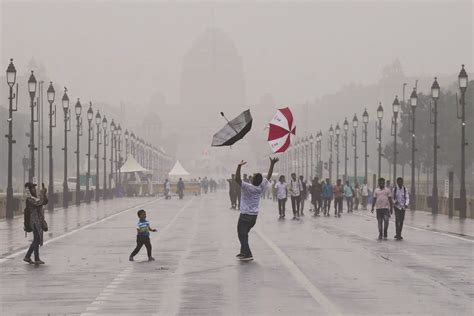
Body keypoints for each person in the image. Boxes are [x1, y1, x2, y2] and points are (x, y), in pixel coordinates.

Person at [235, 157, 278, 261]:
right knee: (244, 234)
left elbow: (237, 179)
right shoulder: (260, 187)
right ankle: (243, 252)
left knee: (241, 233)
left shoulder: (247, 187)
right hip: (253, 217)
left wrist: (239, 166)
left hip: (245, 215)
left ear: (253, 180)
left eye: (253, 176)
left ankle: (248, 254)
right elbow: (268, 176)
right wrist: (272, 164)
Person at [23, 182, 48, 265]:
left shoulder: (34, 197)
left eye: (34, 188)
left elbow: (44, 201)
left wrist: (44, 193)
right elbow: (39, 202)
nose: (34, 189)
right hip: (34, 221)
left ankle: (27, 256)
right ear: (29, 190)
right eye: (32, 188)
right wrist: (42, 193)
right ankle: (36, 258)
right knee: (36, 239)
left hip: (38, 221)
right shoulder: (30, 199)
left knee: (36, 239)